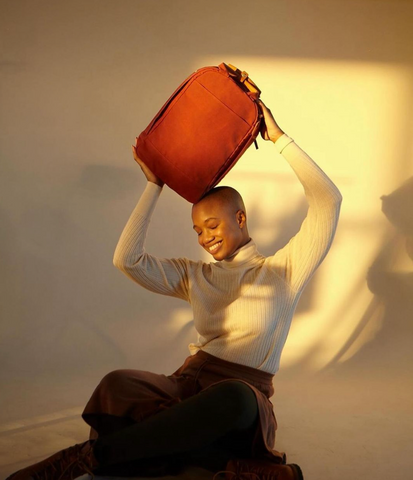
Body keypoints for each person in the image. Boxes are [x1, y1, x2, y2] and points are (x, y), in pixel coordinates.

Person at [6, 100, 342, 480]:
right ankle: (220, 465)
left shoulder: (284, 270)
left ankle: (87, 458)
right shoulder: (193, 276)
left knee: (233, 398)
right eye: (197, 231)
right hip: (186, 386)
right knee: (118, 383)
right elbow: (127, 260)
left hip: (239, 396)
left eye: (212, 225)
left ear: (241, 217)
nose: (205, 238)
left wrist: (280, 139)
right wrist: (154, 185)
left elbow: (329, 201)